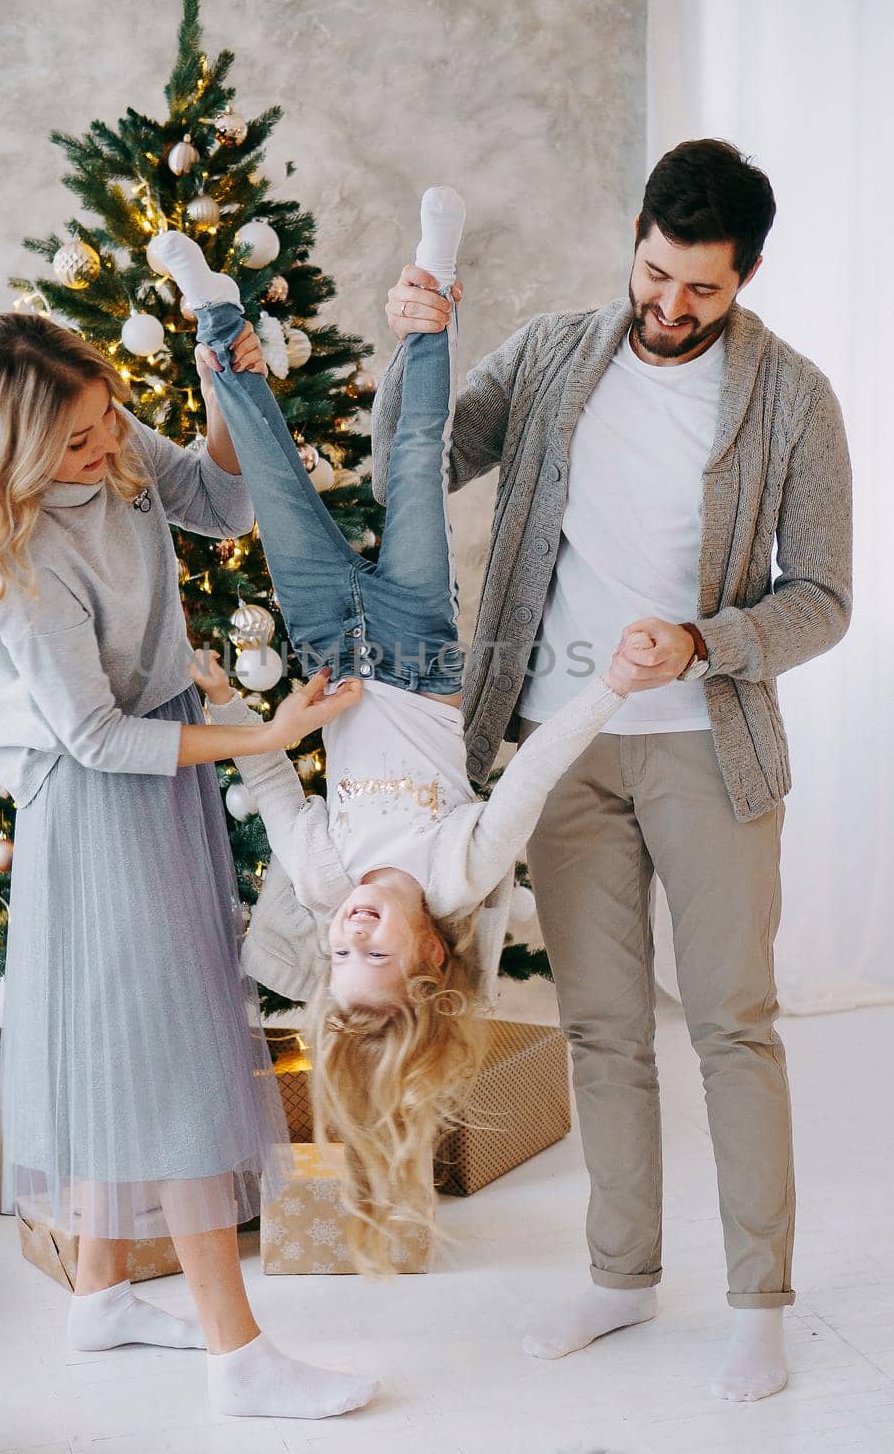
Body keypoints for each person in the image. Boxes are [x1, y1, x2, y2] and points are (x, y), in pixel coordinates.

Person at [372, 139, 853, 1401]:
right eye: (655, 273)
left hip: (706, 749)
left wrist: (705, 641)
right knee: (600, 1028)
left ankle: (758, 1298)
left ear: (743, 276)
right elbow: (414, 465)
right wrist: (413, 342)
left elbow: (824, 600)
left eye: (701, 289)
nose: (669, 306)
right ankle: (620, 1275)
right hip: (559, 746)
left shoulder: (791, 398)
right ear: (634, 238)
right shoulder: (546, 354)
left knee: (732, 1027)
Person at [149, 193, 673, 1277]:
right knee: (418, 457)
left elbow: (273, 792)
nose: (348, 929)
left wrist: (226, 702)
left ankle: (213, 314)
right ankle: (431, 288)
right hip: (418, 645)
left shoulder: (329, 868)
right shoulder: (459, 872)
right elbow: (531, 768)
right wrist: (610, 688)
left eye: (337, 950)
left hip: (327, 649)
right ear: (431, 953)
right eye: (371, 950)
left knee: (279, 481)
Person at [0, 311, 378, 1421]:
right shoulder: (24, 553)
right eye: (76, 441)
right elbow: (93, 739)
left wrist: (223, 386)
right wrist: (263, 738)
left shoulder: (113, 439)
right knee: (168, 1048)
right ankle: (237, 1354)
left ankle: (102, 1293)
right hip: (98, 795)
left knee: (136, 1030)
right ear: (15, 456)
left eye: (105, 415)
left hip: (157, 758)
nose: (106, 446)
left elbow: (220, 503)